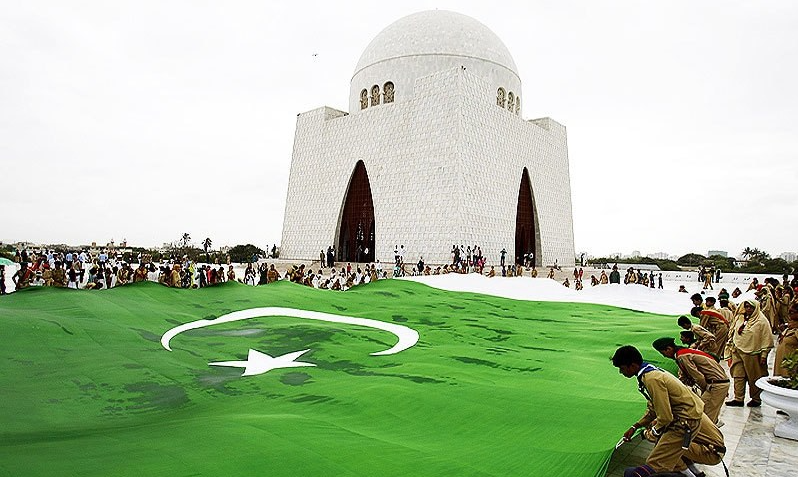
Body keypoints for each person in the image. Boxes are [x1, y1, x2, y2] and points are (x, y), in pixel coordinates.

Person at [612, 345, 726, 476]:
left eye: (622, 368)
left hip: (691, 431)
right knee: (663, 450)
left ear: (632, 366)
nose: (621, 372)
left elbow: (665, 417)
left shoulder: (652, 379)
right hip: (688, 423)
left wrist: (649, 433)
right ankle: (692, 474)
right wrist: (636, 426)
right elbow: (653, 409)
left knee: (651, 464)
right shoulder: (652, 373)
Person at [652, 337, 730, 425]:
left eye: (663, 353)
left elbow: (698, 377)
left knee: (704, 415)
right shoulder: (686, 351)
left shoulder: (682, 356)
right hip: (720, 382)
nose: (664, 356)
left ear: (669, 349)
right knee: (703, 410)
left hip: (716, 384)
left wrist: (706, 390)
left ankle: (711, 434)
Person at [724, 299, 774, 407]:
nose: (748, 309)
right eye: (746, 307)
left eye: (750, 307)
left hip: (753, 353)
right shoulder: (740, 318)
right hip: (737, 351)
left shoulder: (761, 321)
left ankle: (756, 399)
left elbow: (766, 338)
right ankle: (738, 398)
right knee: (738, 375)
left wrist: (764, 354)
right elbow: (733, 332)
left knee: (754, 377)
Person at [774, 301, 798, 377]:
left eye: (793, 312)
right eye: (789, 312)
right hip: (782, 363)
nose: (790, 313)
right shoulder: (790, 326)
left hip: (791, 366)